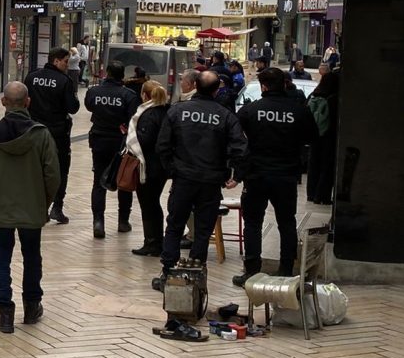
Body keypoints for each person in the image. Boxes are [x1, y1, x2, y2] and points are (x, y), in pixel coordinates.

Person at [0, 82, 60, 334]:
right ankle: (32, 306)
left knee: (2, 258)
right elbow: (53, 176)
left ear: (3, 102)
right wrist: (45, 202)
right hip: (32, 208)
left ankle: (5, 313)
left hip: (0, 208)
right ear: (28, 102)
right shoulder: (41, 134)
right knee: (32, 257)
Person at [153, 71, 247, 291]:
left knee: (175, 225)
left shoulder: (177, 111)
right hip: (211, 181)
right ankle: (195, 273)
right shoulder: (225, 116)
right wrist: (236, 175)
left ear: (195, 85)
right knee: (203, 230)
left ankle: (168, 272)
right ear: (217, 89)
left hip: (184, 178)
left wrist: (172, 170)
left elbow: (162, 145)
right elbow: (240, 148)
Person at [233, 68, 319, 286]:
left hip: (256, 175)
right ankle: (286, 269)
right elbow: (313, 137)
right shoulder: (299, 111)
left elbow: (236, 141)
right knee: (287, 222)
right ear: (285, 84)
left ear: (263, 86)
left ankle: (252, 270)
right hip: (286, 175)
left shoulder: (250, 110)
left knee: (252, 223)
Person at [24, 47, 81, 224]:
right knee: (61, 169)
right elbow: (73, 107)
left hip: (34, 130)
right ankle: (57, 207)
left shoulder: (32, 77)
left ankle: (38, 207)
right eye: (65, 61)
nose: (67, 64)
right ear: (56, 61)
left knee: (36, 169)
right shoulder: (64, 81)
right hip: (57, 132)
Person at [84, 61, 140, 239]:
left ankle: (98, 221)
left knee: (98, 182)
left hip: (99, 139)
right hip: (120, 143)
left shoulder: (94, 92)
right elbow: (133, 118)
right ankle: (123, 221)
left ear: (107, 73)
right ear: (122, 75)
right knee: (124, 180)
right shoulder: (128, 95)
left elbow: (89, 106)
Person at [130, 81, 172, 257]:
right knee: (154, 203)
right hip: (163, 167)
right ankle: (157, 241)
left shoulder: (147, 115)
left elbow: (145, 141)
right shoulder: (168, 112)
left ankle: (152, 243)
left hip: (148, 166)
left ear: (145, 96)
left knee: (148, 204)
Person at [307, 70, 340, 205]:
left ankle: (311, 194)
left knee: (313, 164)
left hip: (314, 137)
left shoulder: (313, 96)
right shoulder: (335, 99)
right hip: (329, 137)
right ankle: (322, 196)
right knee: (327, 166)